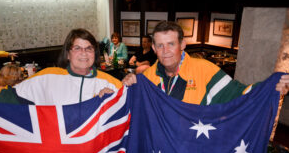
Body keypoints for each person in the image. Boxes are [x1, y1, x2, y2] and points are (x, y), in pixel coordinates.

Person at [122, 21, 289, 105]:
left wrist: (270, 87)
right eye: (160, 45)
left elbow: (240, 95)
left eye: (171, 44)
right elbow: (130, 104)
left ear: (182, 45)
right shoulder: (149, 76)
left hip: (193, 151)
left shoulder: (204, 69)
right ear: (153, 48)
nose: (165, 51)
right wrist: (124, 86)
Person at [0, 28, 122, 105]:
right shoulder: (47, 76)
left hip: (94, 151)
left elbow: (135, 103)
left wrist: (128, 87)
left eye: (89, 48)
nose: (83, 53)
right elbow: (11, 95)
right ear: (68, 54)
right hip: (58, 150)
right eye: (77, 48)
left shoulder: (110, 83)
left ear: (95, 53)